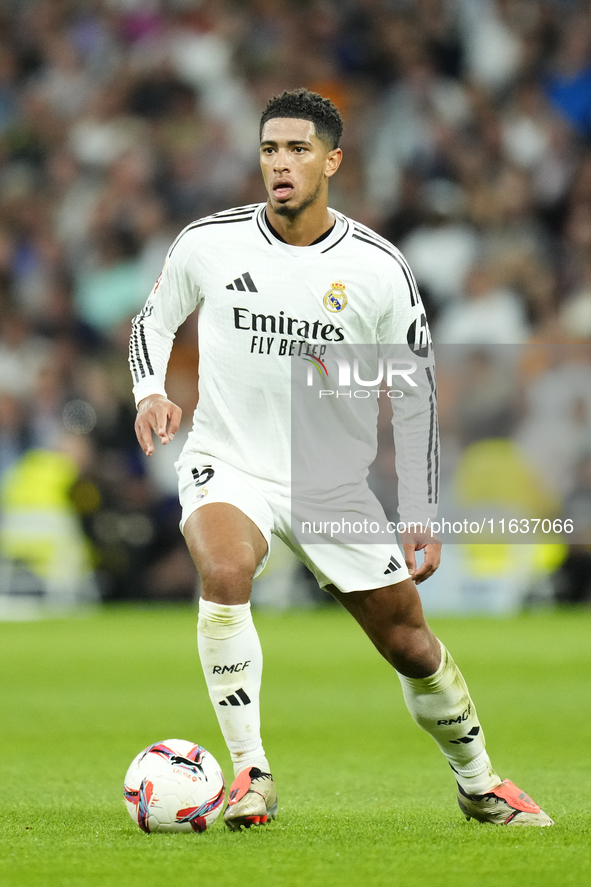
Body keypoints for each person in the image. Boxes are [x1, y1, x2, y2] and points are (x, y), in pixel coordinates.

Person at [130, 89, 552, 829]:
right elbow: (153, 320)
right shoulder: (209, 241)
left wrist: (419, 508)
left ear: (332, 160)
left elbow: (415, 391)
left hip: (329, 485)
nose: (280, 164)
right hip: (228, 459)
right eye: (269, 150)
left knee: (410, 644)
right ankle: (250, 774)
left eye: (296, 149)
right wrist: (148, 392)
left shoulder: (377, 267)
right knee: (223, 570)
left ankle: (478, 780)